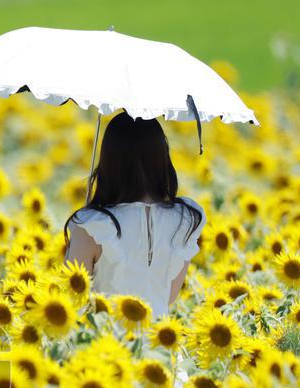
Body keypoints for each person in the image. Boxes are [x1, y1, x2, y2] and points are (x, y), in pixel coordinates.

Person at [64, 111, 206, 320]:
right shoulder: (184, 220)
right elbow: (168, 296)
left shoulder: (93, 226)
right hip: (159, 338)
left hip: (104, 339)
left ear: (109, 161)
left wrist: (83, 227)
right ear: (162, 158)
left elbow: (72, 300)